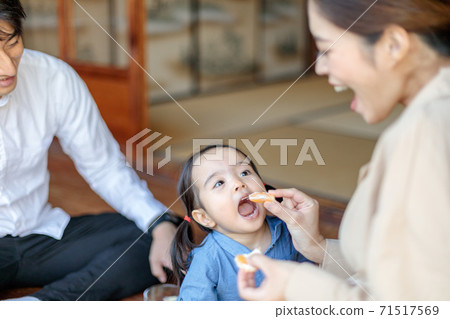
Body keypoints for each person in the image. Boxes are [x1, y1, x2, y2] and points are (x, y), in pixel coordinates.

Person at [238, 0, 450, 301]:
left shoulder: (427, 130)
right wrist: (320, 247)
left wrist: (296, 286)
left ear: (393, 44)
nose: (320, 67)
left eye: (327, 49)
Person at [0, 0, 181, 301]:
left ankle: (40, 305)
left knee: (151, 238)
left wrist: (159, 222)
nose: (7, 66)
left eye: (12, 42)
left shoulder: (52, 77)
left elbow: (103, 166)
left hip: (42, 235)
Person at [171, 145, 311, 300]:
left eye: (245, 172)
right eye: (219, 183)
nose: (238, 183)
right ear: (205, 218)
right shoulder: (207, 260)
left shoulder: (289, 229)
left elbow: (313, 280)